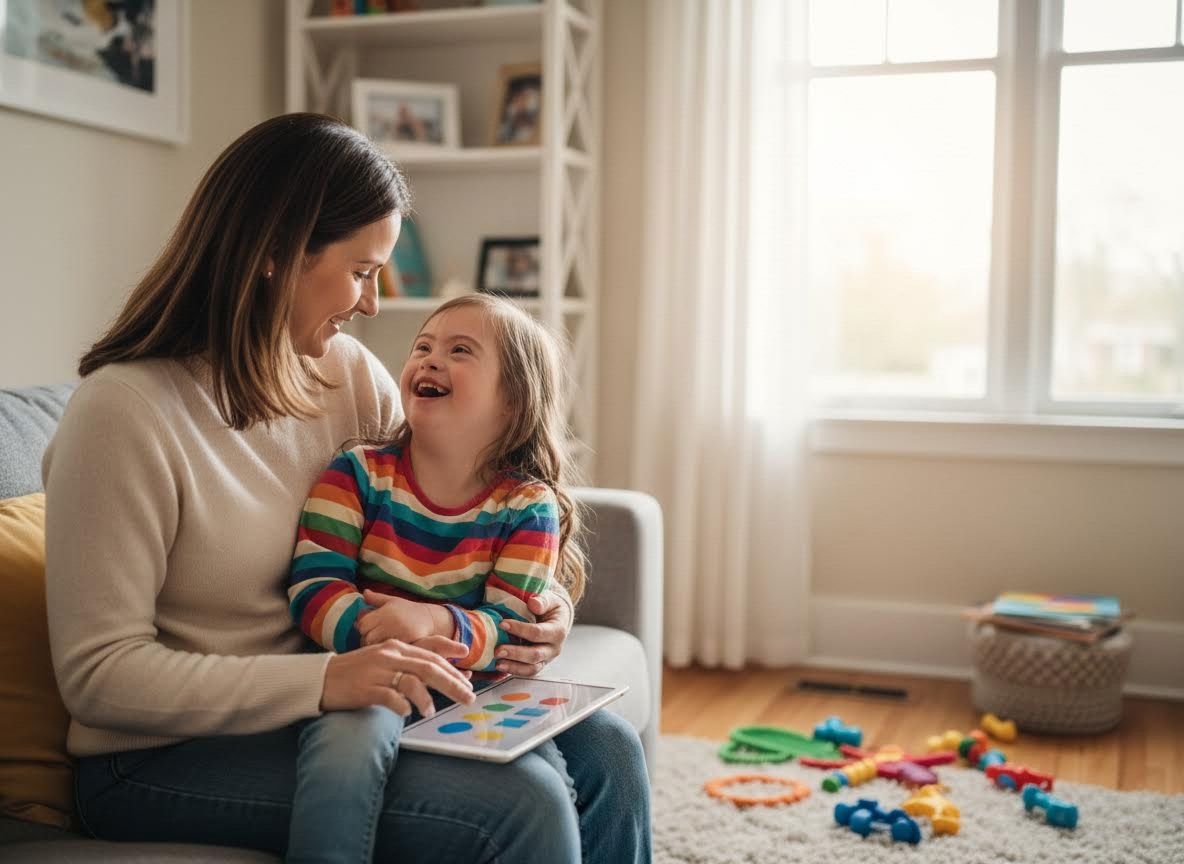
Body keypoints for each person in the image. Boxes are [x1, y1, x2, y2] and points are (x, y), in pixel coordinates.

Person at [42, 112, 652, 863]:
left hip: (350, 691)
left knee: (610, 756)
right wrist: (328, 680)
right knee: (516, 806)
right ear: (274, 253)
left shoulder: (347, 374)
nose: (370, 304)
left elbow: (453, 501)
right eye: (362, 271)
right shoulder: (122, 413)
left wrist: (540, 609)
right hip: (164, 753)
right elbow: (100, 679)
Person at [286, 294, 591, 862]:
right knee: (346, 750)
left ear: (512, 401)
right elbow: (313, 587)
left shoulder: (527, 506)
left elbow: (511, 628)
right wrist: (378, 634)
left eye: (459, 351)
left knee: (547, 783)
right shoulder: (355, 475)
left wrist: (432, 621)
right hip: (364, 675)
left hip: (471, 687)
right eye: (422, 347)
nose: (429, 360)